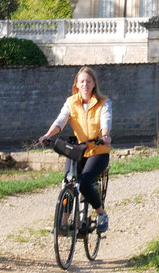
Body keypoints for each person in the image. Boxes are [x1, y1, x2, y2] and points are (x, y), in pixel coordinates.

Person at [38, 66, 112, 233]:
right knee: (69, 182)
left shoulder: (103, 103)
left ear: (94, 84)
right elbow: (60, 121)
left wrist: (105, 136)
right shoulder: (71, 102)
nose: (85, 84)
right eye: (82, 82)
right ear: (77, 85)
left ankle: (101, 214)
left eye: (88, 81)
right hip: (78, 150)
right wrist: (48, 135)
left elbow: (105, 122)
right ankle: (63, 222)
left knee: (85, 184)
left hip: (98, 151)